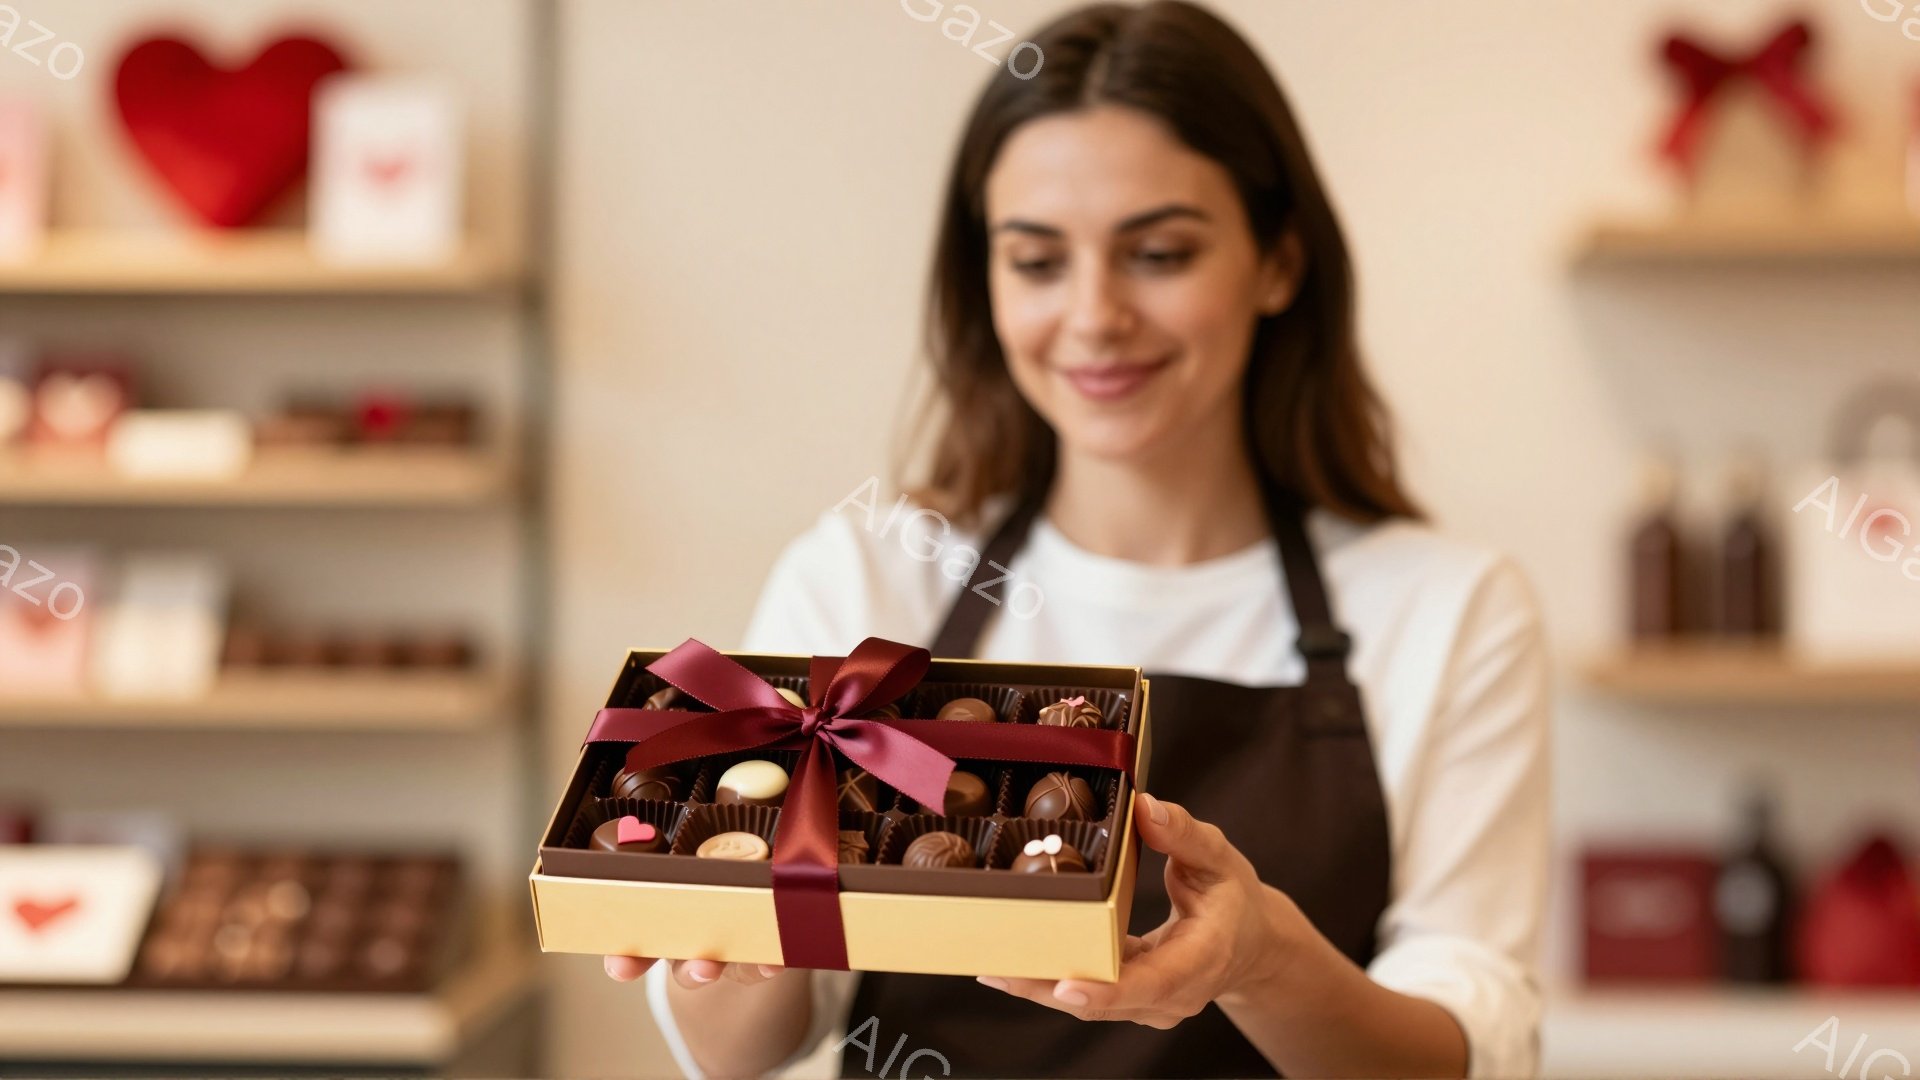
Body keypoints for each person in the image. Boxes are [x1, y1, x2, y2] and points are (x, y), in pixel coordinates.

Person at [605, 2, 1550, 1076]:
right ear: (988, 281)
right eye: (1038, 261)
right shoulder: (869, 576)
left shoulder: (1449, 609)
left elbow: (1466, 1052)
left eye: (1158, 252)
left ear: (1279, 263)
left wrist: (1262, 960)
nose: (1095, 315)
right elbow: (745, 1052)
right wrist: (720, 944)